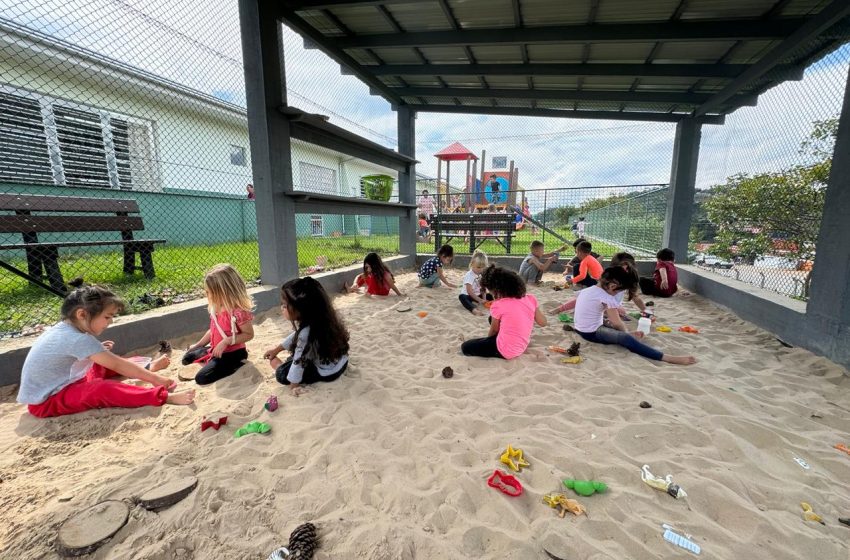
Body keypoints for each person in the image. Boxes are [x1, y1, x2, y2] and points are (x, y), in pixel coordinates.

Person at [17, 284, 194, 418]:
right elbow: (118, 364)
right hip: (49, 400)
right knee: (101, 388)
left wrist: (98, 350)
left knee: (103, 362)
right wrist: (157, 380)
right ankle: (162, 396)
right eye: (107, 317)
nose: (110, 322)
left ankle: (146, 368)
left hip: (69, 381)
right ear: (82, 314)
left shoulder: (65, 329)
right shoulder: (78, 339)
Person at [573, 267, 695, 365]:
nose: (617, 295)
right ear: (612, 287)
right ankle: (666, 357)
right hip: (591, 333)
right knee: (625, 339)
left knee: (609, 324)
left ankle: (627, 335)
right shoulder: (607, 297)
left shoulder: (588, 290)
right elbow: (617, 323)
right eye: (618, 292)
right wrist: (626, 333)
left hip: (580, 328)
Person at [263, 277, 349, 396]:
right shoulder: (323, 318)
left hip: (327, 373)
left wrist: (294, 386)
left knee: (283, 374)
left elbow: (299, 361)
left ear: (300, 308)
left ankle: (279, 366)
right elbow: (296, 336)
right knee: (297, 356)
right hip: (341, 363)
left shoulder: (305, 335)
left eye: (284, 305)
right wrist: (277, 349)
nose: (282, 308)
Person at [182, 264, 255, 385]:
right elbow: (213, 329)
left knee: (201, 378)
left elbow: (249, 334)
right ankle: (210, 360)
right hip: (215, 349)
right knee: (187, 358)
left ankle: (236, 365)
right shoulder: (216, 307)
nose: (207, 294)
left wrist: (226, 341)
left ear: (223, 292)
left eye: (209, 292)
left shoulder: (238, 311)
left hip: (233, 353)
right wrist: (198, 345)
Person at [461, 265, 546, 359]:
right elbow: (543, 322)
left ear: (497, 291)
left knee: (465, 347)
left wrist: (488, 341)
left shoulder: (498, 305)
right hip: (522, 346)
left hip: (505, 350)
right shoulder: (530, 299)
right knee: (493, 319)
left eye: (492, 292)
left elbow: (494, 330)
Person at [552, 252, 648, 317]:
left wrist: (646, 310)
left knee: (622, 312)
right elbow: (593, 293)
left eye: (627, 269)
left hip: (612, 306)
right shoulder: (608, 279)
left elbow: (636, 298)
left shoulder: (630, 280)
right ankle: (560, 309)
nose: (624, 271)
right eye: (621, 269)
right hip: (600, 304)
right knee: (582, 297)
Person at [459, 250, 491, 315]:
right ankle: (473, 309)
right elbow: (469, 291)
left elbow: (483, 288)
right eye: (478, 267)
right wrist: (480, 300)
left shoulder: (482, 274)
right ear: (472, 264)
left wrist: (484, 300)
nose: (481, 269)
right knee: (462, 297)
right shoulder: (469, 275)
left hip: (478, 295)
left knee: (490, 295)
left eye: (483, 267)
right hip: (468, 295)